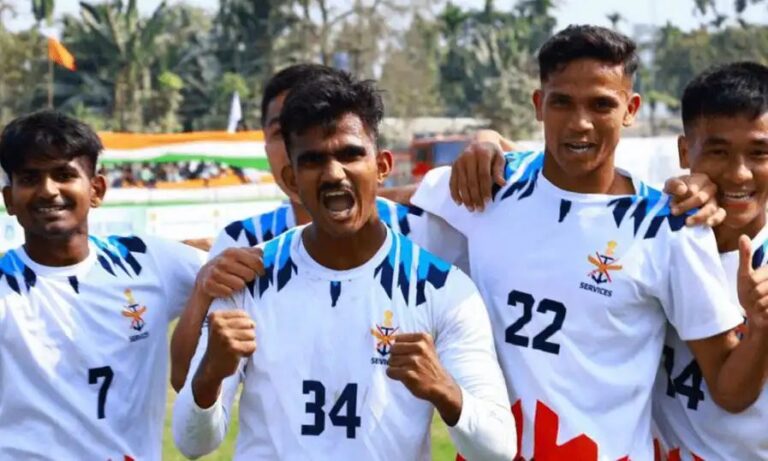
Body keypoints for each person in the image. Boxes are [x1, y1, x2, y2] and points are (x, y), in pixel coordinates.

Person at [410, 25, 768, 459]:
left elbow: (729, 387)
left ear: (630, 109)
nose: (580, 123)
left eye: (601, 104)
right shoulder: (487, 186)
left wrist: (761, 324)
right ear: (539, 105)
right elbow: (376, 214)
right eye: (562, 102)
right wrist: (484, 140)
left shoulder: (669, 227)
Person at [172, 69, 516, 460]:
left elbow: (498, 451)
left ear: (382, 166)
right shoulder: (250, 276)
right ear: (292, 179)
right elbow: (191, 442)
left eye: (350, 154)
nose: (334, 174)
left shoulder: (442, 288)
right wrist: (211, 373)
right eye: (313, 160)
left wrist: (445, 391)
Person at [170, 63, 457, 391]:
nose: (302, 145)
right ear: (267, 146)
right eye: (282, 132)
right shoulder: (243, 241)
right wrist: (203, 290)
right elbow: (184, 382)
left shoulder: (413, 230)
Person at [0, 111, 206, 460]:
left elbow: (239, 270)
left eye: (64, 174)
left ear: (96, 189)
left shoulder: (148, 261)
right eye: (30, 178)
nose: (48, 190)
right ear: (9, 199)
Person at [652, 62, 768, 460]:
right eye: (718, 152)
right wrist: (488, 140)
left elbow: (734, 395)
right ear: (685, 151)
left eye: (759, 153)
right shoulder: (650, 231)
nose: (740, 174)